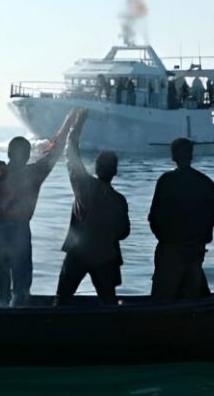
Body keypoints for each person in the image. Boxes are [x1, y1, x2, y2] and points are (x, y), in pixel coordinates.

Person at [0, 105, 79, 307]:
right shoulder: (33, 174)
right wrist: (69, 122)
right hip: (20, 232)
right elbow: (55, 150)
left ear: (8, 153)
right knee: (21, 289)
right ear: (27, 155)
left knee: (0, 290)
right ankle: (18, 317)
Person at [55, 111, 130, 306]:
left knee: (62, 300)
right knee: (109, 302)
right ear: (115, 171)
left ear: (96, 168)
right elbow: (124, 232)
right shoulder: (119, 201)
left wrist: (78, 123)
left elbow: (71, 151)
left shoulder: (84, 185)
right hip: (106, 255)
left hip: (78, 252)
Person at [148, 138, 214, 302]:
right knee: (193, 294)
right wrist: (201, 230)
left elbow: (154, 216)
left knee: (163, 297)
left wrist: (164, 236)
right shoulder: (204, 182)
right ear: (191, 155)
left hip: (170, 247)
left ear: (173, 156)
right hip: (195, 247)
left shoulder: (166, 181)